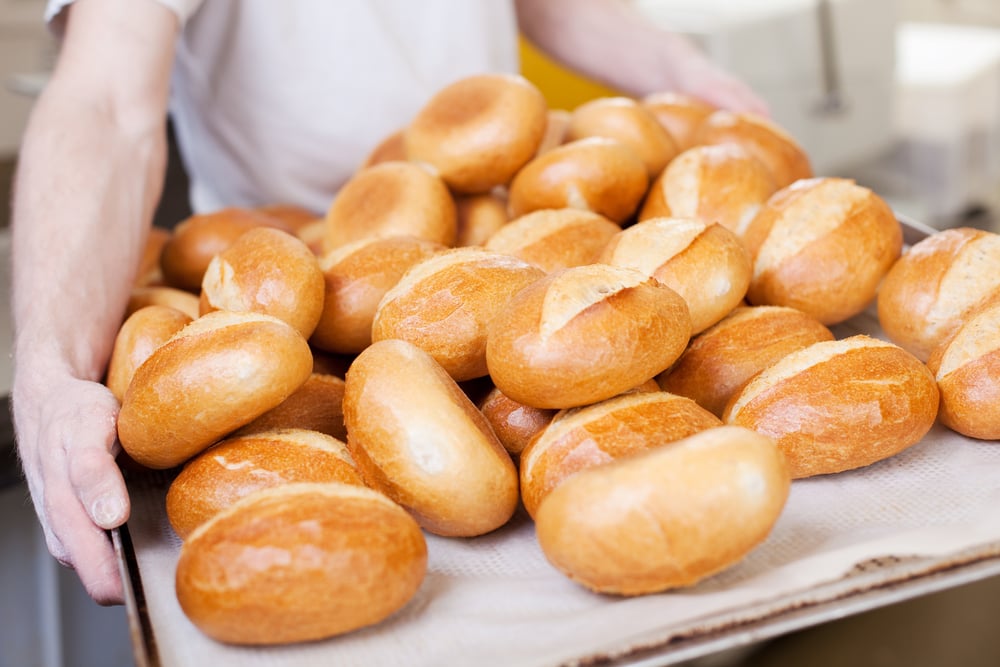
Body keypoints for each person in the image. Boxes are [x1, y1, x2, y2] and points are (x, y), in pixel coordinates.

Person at [10, 0, 768, 606]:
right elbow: (106, 101)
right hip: (290, 252)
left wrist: (689, 75)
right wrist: (50, 362)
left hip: (493, 231)